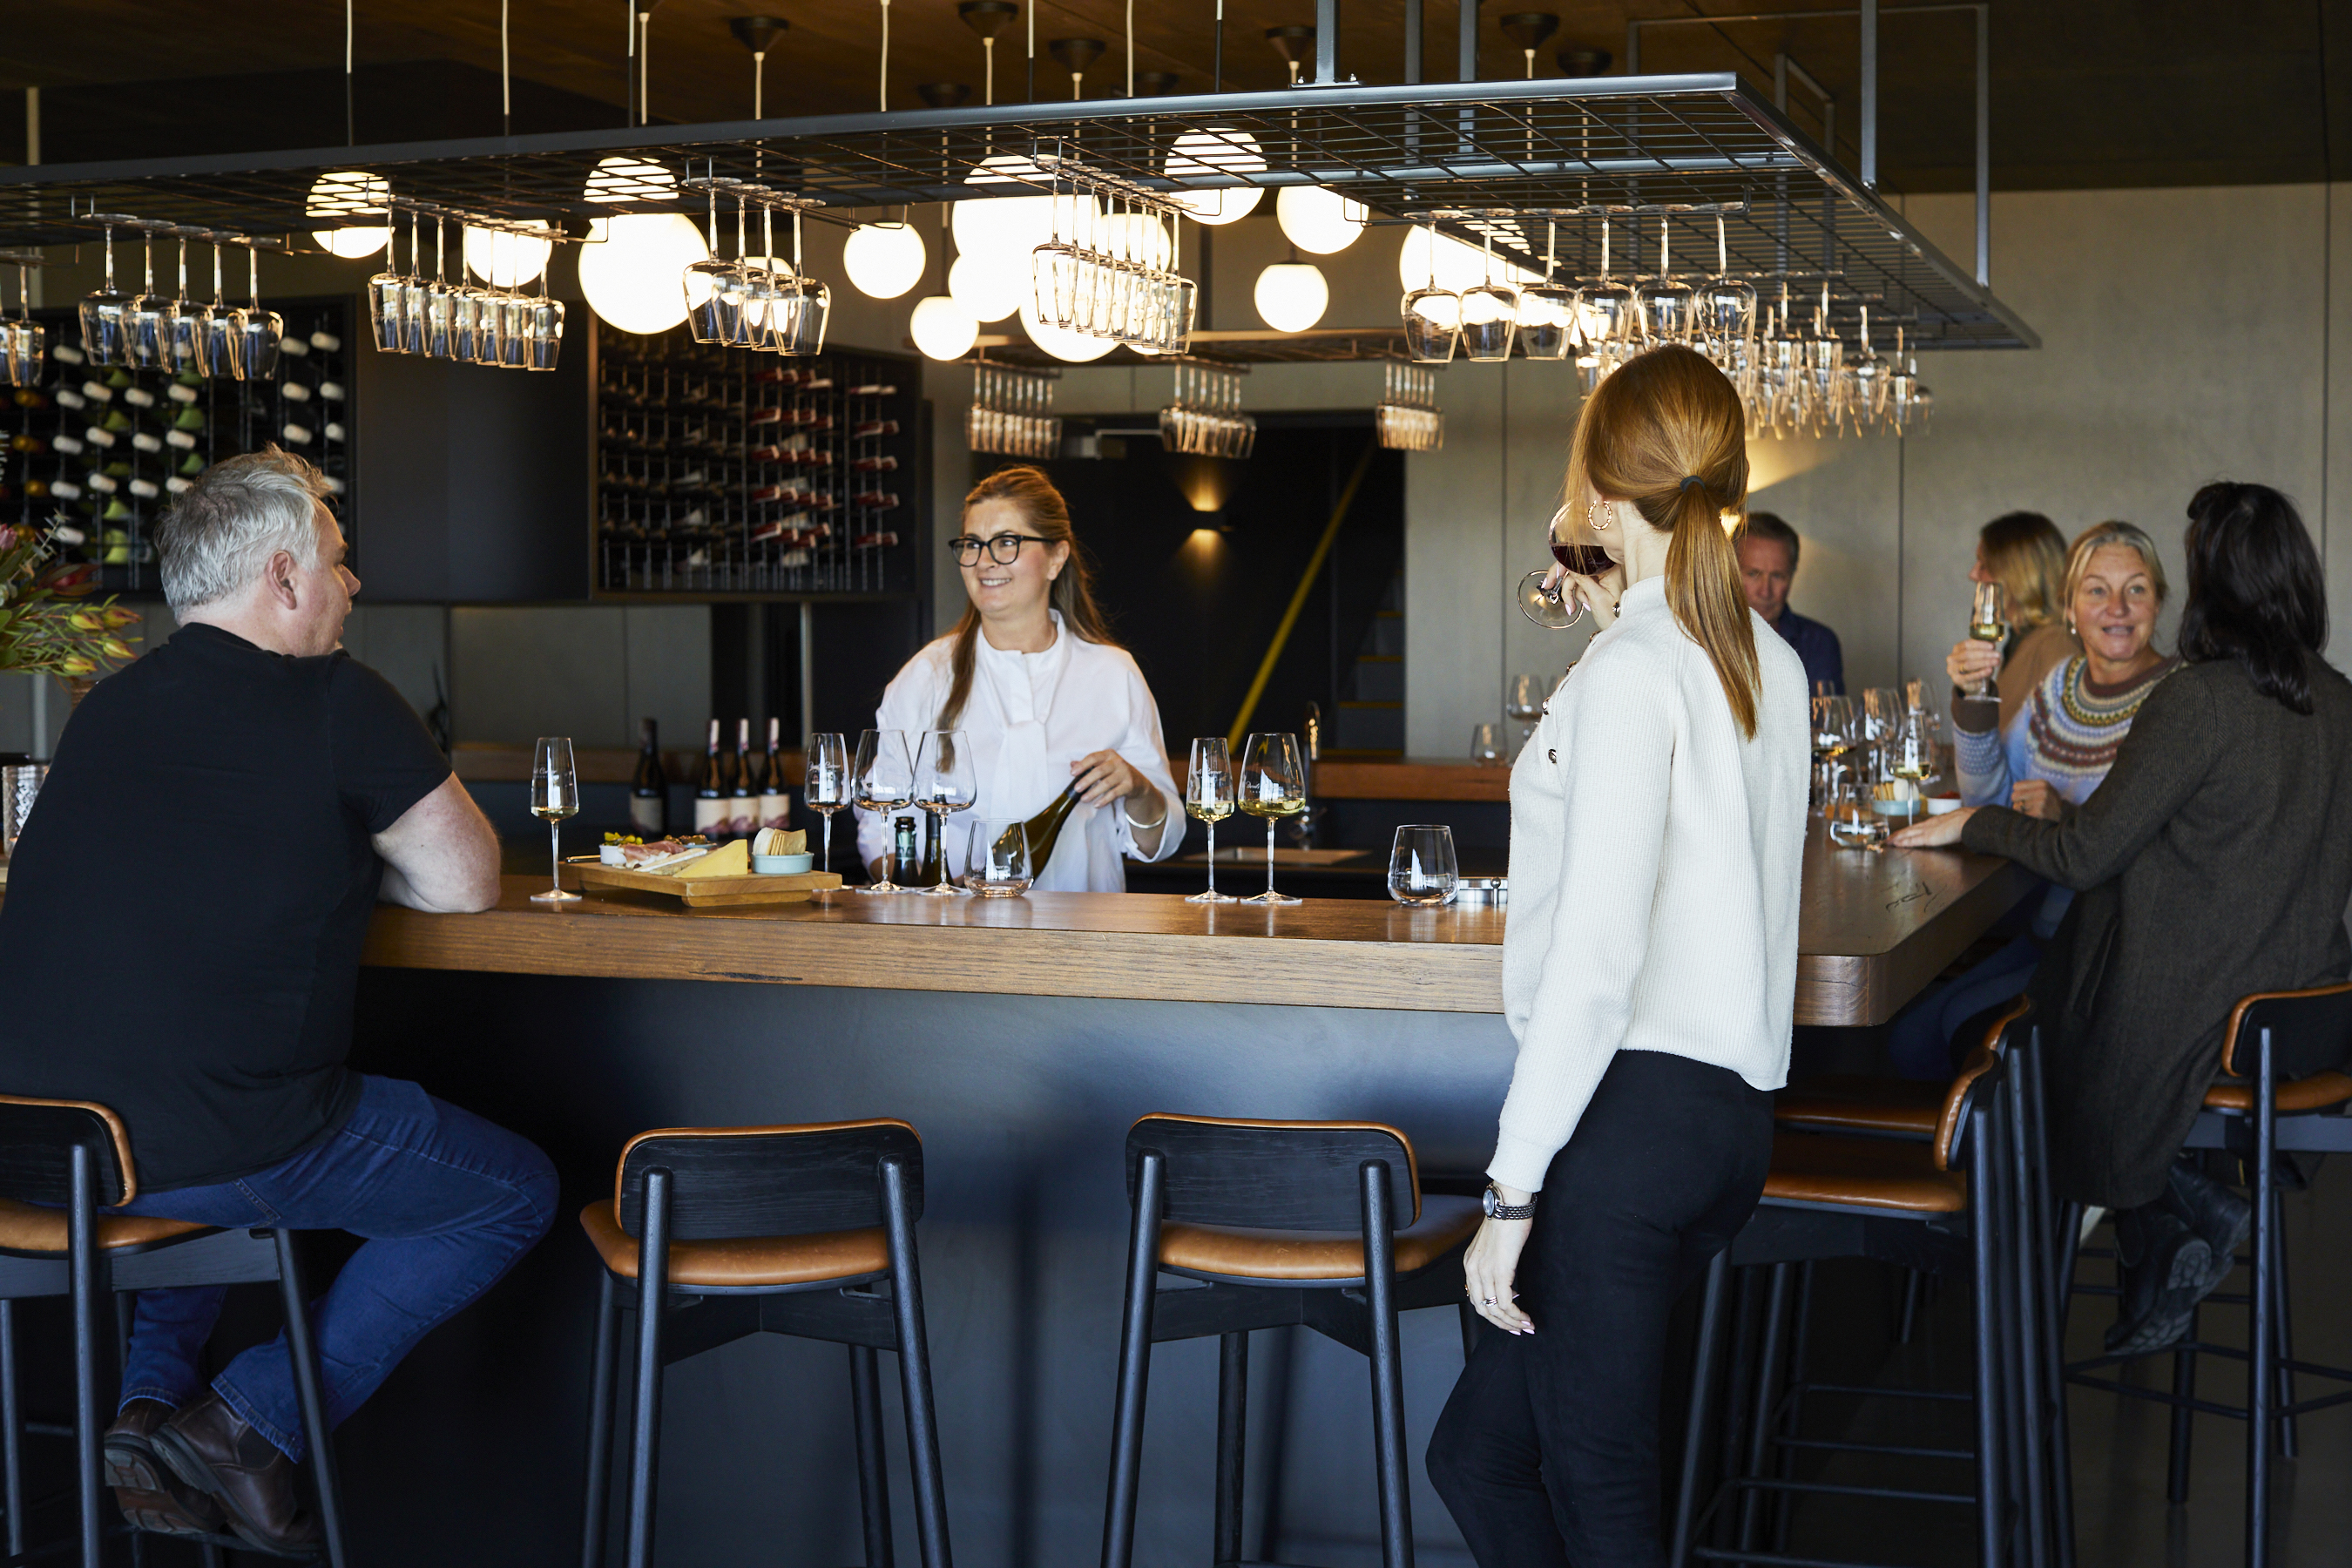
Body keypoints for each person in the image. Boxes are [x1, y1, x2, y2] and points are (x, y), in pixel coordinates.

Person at [0, 451, 556, 1553]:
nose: (355, 588)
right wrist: (365, 855)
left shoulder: (104, 712)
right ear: (287, 577)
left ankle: (148, 1414)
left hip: (45, 1147)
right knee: (511, 1193)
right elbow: (467, 883)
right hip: (222, 1134)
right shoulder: (337, 699)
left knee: (201, 1169)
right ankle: (246, 1423)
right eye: (342, 566)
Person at [1427, 345, 1809, 1568]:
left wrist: (1511, 1191)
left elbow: (1595, 960)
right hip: (1729, 1123)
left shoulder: (1636, 669)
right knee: (1478, 1457)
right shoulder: (1769, 657)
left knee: (1600, 1493)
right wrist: (1608, 615)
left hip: (1624, 1127)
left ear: (1596, 485)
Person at [1890, 481, 2352, 1355]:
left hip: (2210, 1018)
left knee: (2035, 1037)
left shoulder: (2200, 699)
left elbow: (2086, 856)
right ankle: (2168, 1226)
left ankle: (2151, 1210)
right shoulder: (2339, 700)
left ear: (2206, 583)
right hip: (2311, 1018)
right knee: (2039, 1005)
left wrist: (1976, 822)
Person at [1887, 521, 2176, 1077]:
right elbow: (1990, 796)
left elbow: (2160, 844)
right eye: (2096, 590)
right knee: (1911, 1036)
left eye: (2136, 589)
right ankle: (1966, 1163)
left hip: (2119, 955)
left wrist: (2064, 819)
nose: (2117, 606)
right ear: (2069, 607)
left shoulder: (2177, 697)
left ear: (2158, 603)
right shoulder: (2060, 686)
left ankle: (2015, 1163)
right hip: (2047, 934)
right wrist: (1975, 700)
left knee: (1963, 1035)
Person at [856, 465, 1182, 890]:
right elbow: (878, 829)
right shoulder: (926, 676)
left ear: (1056, 558)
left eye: (1007, 542)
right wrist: (921, 893)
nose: (984, 561)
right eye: (972, 544)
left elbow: (1163, 842)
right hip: (959, 944)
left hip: (1086, 944)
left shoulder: (1112, 674)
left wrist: (1139, 789)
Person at [1958, 510, 2075, 737]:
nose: (1973, 574)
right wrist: (1942, 756)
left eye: (1984, 565)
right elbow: (2005, 748)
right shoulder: (2023, 639)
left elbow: (2054, 752)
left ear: (2018, 575)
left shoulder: (2056, 645)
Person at [1738, 510, 1844, 693]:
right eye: (1753, 574)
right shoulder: (1702, 638)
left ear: (1792, 575)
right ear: (1729, 571)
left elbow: (1827, 719)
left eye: (1778, 576)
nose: (1765, 591)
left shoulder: (1819, 643)